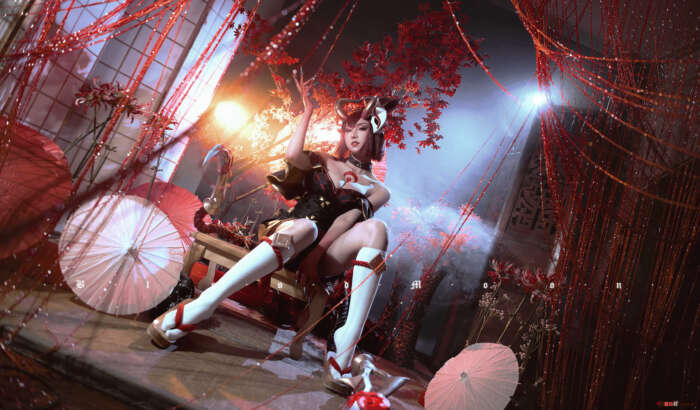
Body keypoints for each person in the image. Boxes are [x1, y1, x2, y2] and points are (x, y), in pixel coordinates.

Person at [148, 69, 396, 396]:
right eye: (348, 128)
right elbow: (292, 156)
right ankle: (204, 305)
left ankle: (344, 346)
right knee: (306, 226)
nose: (352, 134)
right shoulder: (324, 160)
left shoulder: (379, 189)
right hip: (292, 234)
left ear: (375, 133)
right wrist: (307, 111)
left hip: (326, 254)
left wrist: (318, 255)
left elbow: (348, 219)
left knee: (378, 229)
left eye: (360, 128)